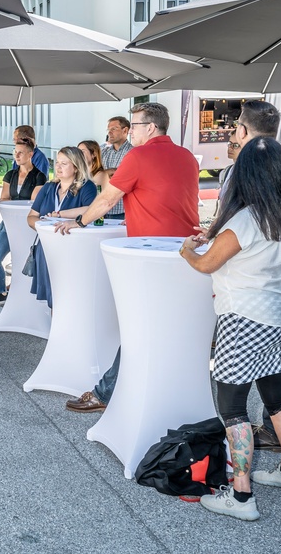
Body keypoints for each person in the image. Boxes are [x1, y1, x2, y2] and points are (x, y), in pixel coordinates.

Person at [180, 137, 281, 521]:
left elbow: (205, 265)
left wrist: (188, 249)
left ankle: (241, 495)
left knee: (232, 407)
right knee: (277, 396)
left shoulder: (246, 219)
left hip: (243, 317)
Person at [58, 102, 199, 413]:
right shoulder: (187, 156)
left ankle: (107, 392)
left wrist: (79, 222)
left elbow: (107, 199)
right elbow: (167, 197)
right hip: (186, 252)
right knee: (167, 324)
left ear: (150, 128)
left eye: (133, 125)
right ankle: (157, 387)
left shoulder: (138, 155)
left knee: (139, 325)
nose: (129, 130)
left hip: (151, 254)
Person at [221, 100, 281, 454]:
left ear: (242, 130)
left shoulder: (259, 164)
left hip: (262, 282)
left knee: (241, 393)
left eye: (235, 128)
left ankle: (270, 443)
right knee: (275, 365)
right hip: (278, 277)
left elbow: (263, 224)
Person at [25, 147, 97, 309]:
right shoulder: (49, 188)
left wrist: (60, 214)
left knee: (70, 295)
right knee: (52, 296)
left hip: (73, 248)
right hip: (48, 246)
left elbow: (91, 210)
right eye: (57, 162)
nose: (58, 167)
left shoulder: (87, 187)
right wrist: (44, 228)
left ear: (76, 167)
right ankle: (56, 332)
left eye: (64, 163)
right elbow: (31, 216)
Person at [0, 135, 47, 305]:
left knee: (21, 263)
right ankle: (1, 292)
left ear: (30, 154)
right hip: (9, 225)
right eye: (15, 152)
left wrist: (13, 203)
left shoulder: (39, 176)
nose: (17, 156)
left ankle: (22, 297)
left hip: (27, 227)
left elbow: (33, 204)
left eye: (21, 153)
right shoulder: (10, 174)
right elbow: (2, 199)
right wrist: (15, 204)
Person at [100, 116, 132, 219]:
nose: (109, 132)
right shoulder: (104, 152)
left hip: (123, 212)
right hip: (102, 210)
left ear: (125, 130)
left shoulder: (133, 153)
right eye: (108, 129)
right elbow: (95, 175)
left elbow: (125, 177)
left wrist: (106, 173)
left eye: (114, 129)